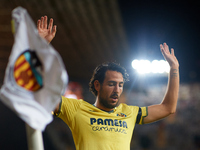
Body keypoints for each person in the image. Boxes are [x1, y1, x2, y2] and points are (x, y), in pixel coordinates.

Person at [37, 16, 179, 150]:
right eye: (111, 84)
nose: (117, 89)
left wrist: (174, 68)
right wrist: (40, 47)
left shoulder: (129, 112)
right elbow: (41, 91)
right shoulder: (76, 109)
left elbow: (168, 108)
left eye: (121, 85)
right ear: (97, 85)